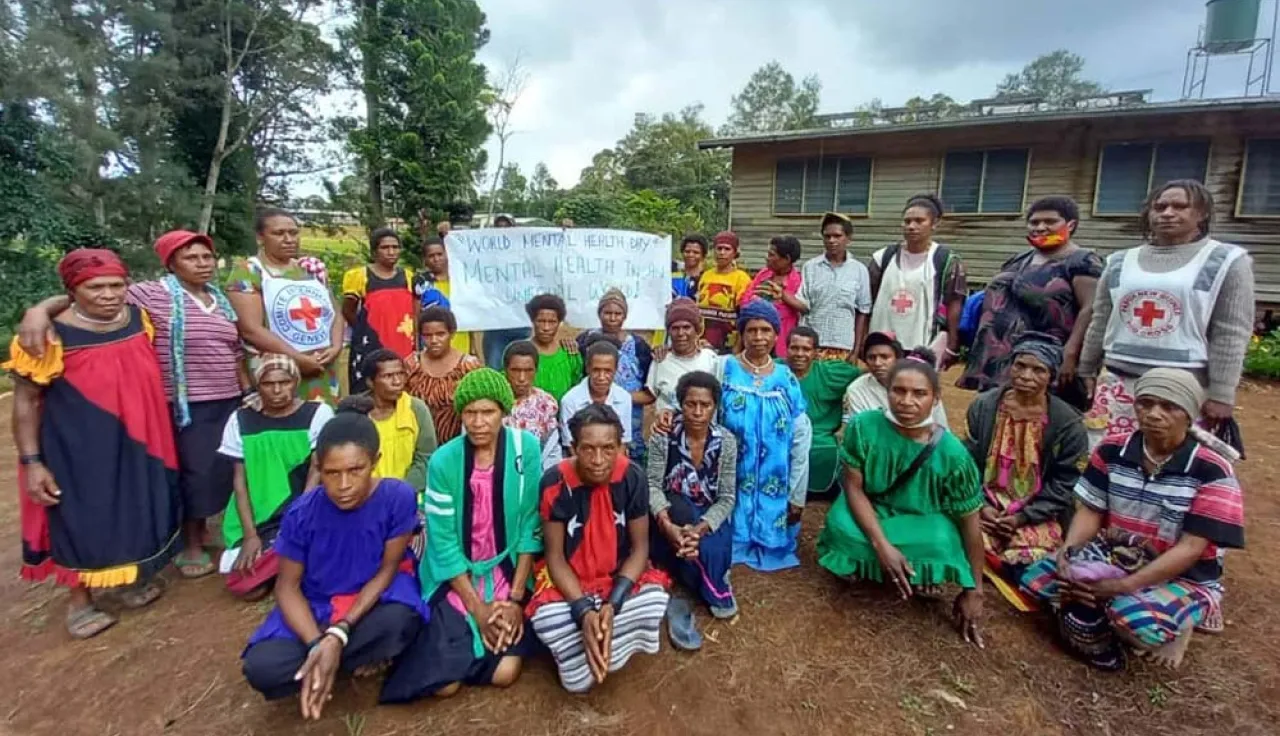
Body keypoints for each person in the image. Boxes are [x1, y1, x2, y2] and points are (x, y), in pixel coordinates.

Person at [16, 230, 246, 579]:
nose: (108, 294)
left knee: (209, 472)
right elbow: (89, 296)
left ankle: (187, 539)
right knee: (189, 474)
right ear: (170, 264)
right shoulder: (149, 296)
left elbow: (236, 349)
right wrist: (39, 311)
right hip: (173, 406)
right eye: (191, 257)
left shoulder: (211, 301)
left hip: (212, 401)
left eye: (207, 257)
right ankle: (182, 547)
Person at [1019, 368, 1244, 671]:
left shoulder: (1212, 469)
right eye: (1145, 403)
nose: (1154, 414)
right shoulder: (1112, 449)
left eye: (1169, 407)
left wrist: (1123, 585)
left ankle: (1181, 625)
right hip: (1118, 555)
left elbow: (1191, 548)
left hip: (1182, 573)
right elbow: (1091, 510)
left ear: (1189, 414)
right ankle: (1109, 605)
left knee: (1135, 625)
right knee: (1036, 581)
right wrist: (1069, 551)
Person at [6, 249, 181, 638]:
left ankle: (129, 578)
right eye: (95, 287)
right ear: (73, 290)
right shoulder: (47, 337)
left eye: (117, 285)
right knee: (80, 514)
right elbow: (26, 402)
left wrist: (42, 306)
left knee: (135, 504)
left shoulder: (138, 319)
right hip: (78, 444)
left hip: (140, 436)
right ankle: (80, 600)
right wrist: (32, 461)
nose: (109, 295)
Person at [240, 408, 427, 717]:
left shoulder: (397, 497)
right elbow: (287, 588)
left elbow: (388, 569)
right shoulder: (301, 513)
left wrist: (339, 633)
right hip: (317, 608)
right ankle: (330, 658)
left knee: (399, 621)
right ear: (318, 468)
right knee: (262, 668)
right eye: (331, 473)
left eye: (355, 470)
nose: (343, 484)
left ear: (375, 462)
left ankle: (329, 660)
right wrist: (317, 642)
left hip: (371, 602)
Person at [381, 368, 543, 700]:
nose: (479, 422)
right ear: (461, 415)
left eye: (488, 412)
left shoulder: (525, 448)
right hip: (457, 575)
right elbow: (443, 542)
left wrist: (514, 599)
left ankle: (483, 643)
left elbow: (530, 524)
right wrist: (478, 609)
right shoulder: (444, 461)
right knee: (444, 686)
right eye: (470, 412)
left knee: (505, 673)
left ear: (503, 411)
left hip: (507, 571)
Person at [816, 352, 986, 647]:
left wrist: (975, 590)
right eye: (899, 391)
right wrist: (882, 546)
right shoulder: (862, 426)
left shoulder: (954, 454)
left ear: (935, 398)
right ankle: (880, 566)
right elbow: (854, 488)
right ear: (888, 392)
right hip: (871, 508)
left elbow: (971, 524)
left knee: (941, 541)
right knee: (841, 526)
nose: (907, 401)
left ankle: (920, 572)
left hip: (921, 520)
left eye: (919, 393)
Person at [1079, 180, 1254, 446]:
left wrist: (1222, 393)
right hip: (1118, 382)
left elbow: (1230, 331)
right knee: (1109, 454)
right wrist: (1086, 367)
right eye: (1159, 207)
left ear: (1202, 213)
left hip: (1182, 388)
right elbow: (1101, 319)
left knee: (1168, 459)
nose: (1167, 213)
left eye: (1180, 206)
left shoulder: (1225, 260)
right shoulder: (1119, 261)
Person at [527, 404, 671, 693]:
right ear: (573, 448)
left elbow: (640, 549)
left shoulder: (633, 476)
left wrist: (612, 605)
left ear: (620, 447)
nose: (598, 460)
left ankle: (598, 644)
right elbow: (555, 557)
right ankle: (595, 643)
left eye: (608, 449)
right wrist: (583, 612)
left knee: (655, 600)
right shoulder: (554, 482)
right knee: (547, 619)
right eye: (588, 449)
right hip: (571, 580)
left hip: (616, 576)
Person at [962, 333, 1088, 587]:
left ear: (1051, 376)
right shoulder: (984, 408)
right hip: (985, 505)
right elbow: (966, 464)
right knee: (962, 535)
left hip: (1037, 512)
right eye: (1020, 366)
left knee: (1031, 552)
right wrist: (981, 505)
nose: (1026, 376)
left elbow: (1065, 483)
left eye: (1038, 370)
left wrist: (1022, 517)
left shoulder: (1068, 424)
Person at [958, 196, 1103, 408]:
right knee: (995, 418)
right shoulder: (1020, 259)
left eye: (1050, 221)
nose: (1040, 227)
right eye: (1034, 222)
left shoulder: (1082, 261)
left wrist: (1071, 353)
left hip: (1042, 363)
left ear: (1070, 225)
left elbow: (1090, 309)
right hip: (1000, 362)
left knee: (1036, 418)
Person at [218, 355, 334, 599]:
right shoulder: (240, 419)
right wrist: (250, 536)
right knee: (248, 587)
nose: (278, 390)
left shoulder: (317, 413)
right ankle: (280, 561)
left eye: (285, 382)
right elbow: (240, 482)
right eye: (268, 384)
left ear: (296, 383)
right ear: (258, 386)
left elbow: (316, 470)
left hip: (302, 507)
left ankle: (284, 562)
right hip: (259, 513)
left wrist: (298, 519)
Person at [647, 371, 739, 650]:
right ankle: (687, 569)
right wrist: (666, 524)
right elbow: (652, 485)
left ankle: (691, 571)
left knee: (708, 551)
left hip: (708, 515)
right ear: (680, 404)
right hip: (672, 510)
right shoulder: (664, 436)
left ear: (715, 407)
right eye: (690, 404)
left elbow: (727, 497)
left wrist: (699, 530)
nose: (698, 412)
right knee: (682, 525)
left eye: (705, 405)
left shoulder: (726, 441)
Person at [718, 299, 811, 571]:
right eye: (752, 330)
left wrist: (797, 493)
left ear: (776, 334)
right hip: (732, 471)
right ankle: (736, 541)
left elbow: (801, 433)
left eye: (766, 330)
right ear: (742, 333)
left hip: (775, 473)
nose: (759, 337)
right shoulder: (724, 368)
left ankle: (769, 542)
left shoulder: (785, 377)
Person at [226, 208, 343, 404]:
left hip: (322, 368)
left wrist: (336, 347)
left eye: (293, 233)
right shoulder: (248, 272)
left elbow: (334, 313)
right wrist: (298, 359)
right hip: (278, 374)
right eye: (279, 233)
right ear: (260, 238)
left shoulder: (309, 270)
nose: (289, 239)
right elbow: (250, 329)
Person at [868, 195, 967, 369]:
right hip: (883, 345)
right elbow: (868, 300)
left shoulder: (946, 261)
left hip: (923, 345)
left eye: (919, 221)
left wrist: (952, 344)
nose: (911, 226)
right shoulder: (883, 258)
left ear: (934, 223)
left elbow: (954, 304)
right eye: (907, 221)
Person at [576, 289, 652, 462]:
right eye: (607, 313)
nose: (612, 318)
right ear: (599, 314)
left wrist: (618, 397)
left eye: (617, 314)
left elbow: (651, 393)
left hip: (630, 422)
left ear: (625, 316)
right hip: (591, 418)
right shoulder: (584, 341)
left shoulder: (638, 347)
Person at [787, 326, 860, 499]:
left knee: (830, 450)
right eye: (794, 348)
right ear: (786, 349)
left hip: (820, 434)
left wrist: (845, 423)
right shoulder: (774, 370)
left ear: (816, 352)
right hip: (781, 432)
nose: (799, 354)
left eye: (806, 349)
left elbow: (864, 375)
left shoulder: (829, 372)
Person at [342, 227, 417, 394]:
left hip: (403, 343)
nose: (391, 252)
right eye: (385, 247)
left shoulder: (408, 277)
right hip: (371, 345)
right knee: (371, 389)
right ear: (375, 251)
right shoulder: (360, 276)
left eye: (395, 247)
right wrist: (366, 331)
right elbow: (348, 310)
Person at [356, 349, 437, 491]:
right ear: (370, 382)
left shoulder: (416, 409)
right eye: (388, 376)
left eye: (400, 374)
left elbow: (426, 458)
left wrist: (399, 492)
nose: (397, 382)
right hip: (365, 495)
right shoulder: (355, 413)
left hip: (408, 493)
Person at [796, 212, 872, 362]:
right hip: (813, 346)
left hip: (844, 347)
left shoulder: (859, 270)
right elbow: (803, 305)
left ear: (848, 238)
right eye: (827, 236)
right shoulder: (811, 267)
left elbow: (863, 312)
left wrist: (856, 350)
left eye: (837, 236)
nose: (831, 240)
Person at [406, 306, 484, 444]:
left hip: (459, 443)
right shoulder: (412, 365)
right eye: (427, 335)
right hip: (418, 443)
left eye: (440, 334)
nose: (434, 340)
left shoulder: (469, 367)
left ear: (452, 334)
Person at [844, 333, 949, 427]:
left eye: (884, 357)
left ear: (898, 359)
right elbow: (860, 429)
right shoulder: (857, 389)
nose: (877, 363)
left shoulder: (920, 384)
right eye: (872, 357)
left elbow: (941, 428)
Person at [560, 335, 634, 455]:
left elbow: (623, 443)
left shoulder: (624, 398)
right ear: (587, 368)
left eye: (607, 371)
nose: (601, 377)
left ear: (616, 370)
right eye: (596, 370)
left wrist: (611, 466)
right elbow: (571, 446)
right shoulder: (570, 400)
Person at [645, 297, 718, 413]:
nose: (680, 333)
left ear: (697, 330)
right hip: (666, 424)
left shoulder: (711, 359)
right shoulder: (660, 360)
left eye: (686, 327)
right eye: (675, 328)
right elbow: (650, 395)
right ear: (669, 331)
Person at [479, 214, 531, 368]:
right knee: (495, 369)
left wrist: (567, 232)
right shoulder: (483, 254)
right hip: (495, 325)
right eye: (499, 227)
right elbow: (459, 257)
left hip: (521, 324)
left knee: (521, 368)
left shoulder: (527, 253)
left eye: (507, 227)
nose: (503, 231)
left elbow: (551, 258)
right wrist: (444, 236)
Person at [503, 341, 563, 469]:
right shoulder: (494, 403)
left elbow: (552, 451)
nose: (522, 378)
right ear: (506, 370)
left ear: (536, 370)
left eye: (528, 370)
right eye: (515, 370)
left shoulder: (546, 404)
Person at [742, 235, 805, 357]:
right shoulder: (764, 274)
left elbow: (798, 310)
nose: (767, 258)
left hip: (781, 340)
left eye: (771, 255)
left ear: (786, 259)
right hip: (756, 336)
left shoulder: (797, 281)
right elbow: (745, 300)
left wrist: (781, 297)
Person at [412, 236, 473, 355]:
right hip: (432, 343)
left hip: (461, 340)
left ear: (448, 254)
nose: (436, 259)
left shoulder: (462, 280)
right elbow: (416, 317)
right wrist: (417, 347)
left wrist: (474, 347)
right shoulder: (421, 283)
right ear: (425, 260)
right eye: (431, 256)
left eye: (440, 254)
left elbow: (471, 314)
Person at [696, 231, 753, 353]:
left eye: (727, 249)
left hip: (728, 341)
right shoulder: (706, 275)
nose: (722, 253)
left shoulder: (742, 278)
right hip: (703, 339)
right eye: (719, 248)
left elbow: (744, 315)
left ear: (735, 253)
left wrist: (738, 346)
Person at [525, 293, 582, 403]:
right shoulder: (521, 353)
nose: (546, 328)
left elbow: (577, 388)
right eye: (541, 321)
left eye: (552, 322)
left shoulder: (569, 353)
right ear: (532, 321)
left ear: (559, 323)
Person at [672, 233, 708, 300]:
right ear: (682, 252)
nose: (691, 255)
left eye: (696, 252)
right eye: (687, 251)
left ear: (703, 256)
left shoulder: (706, 279)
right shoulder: (672, 272)